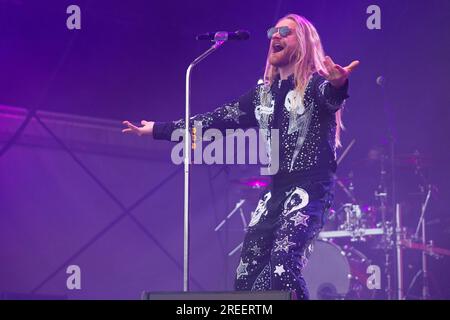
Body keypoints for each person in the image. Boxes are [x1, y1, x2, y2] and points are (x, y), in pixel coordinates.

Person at [122, 13, 359, 299]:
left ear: (305, 43)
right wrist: (157, 130)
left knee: (283, 266)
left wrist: (338, 85)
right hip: (274, 193)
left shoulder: (315, 85)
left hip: (309, 191)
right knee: (246, 279)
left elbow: (330, 98)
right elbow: (212, 120)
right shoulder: (262, 96)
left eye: (286, 31)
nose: (276, 36)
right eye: (273, 31)